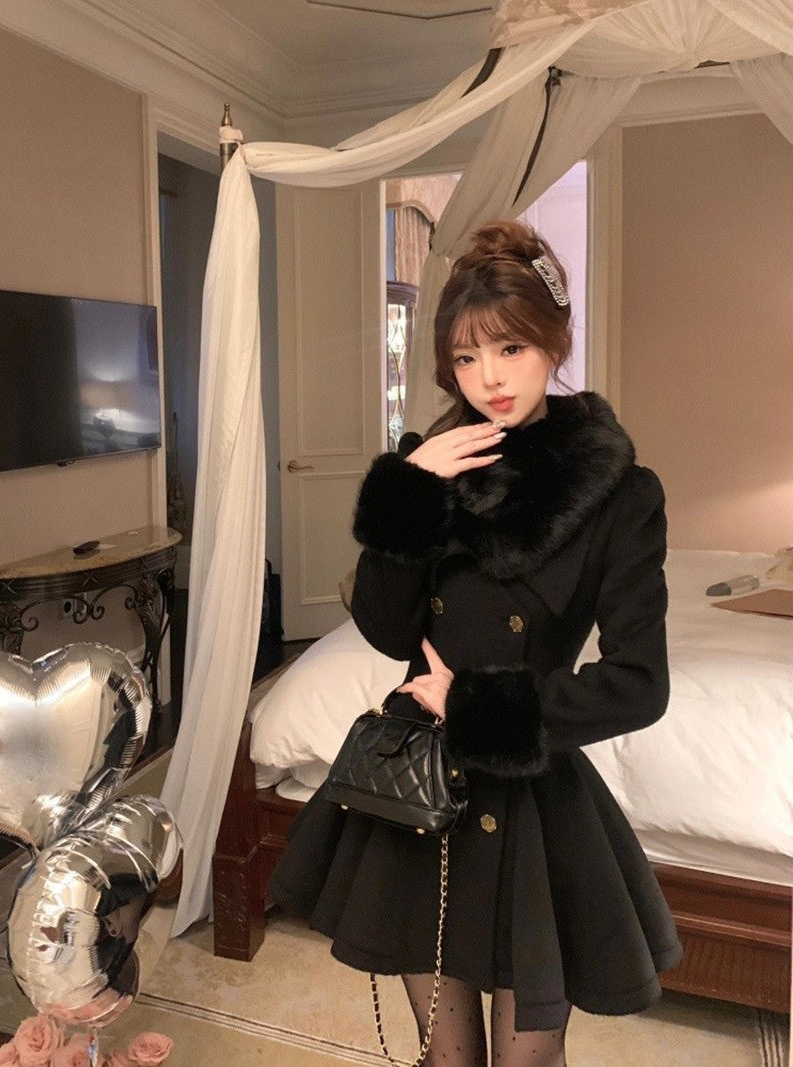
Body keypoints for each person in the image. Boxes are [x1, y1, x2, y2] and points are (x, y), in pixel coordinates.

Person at [270, 219, 683, 1067]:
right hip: (421, 789)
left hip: (528, 795)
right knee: (445, 1057)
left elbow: (641, 683)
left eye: (510, 348)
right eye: (465, 356)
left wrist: (476, 704)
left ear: (555, 343)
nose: (489, 377)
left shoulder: (620, 493)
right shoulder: (431, 464)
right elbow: (385, 628)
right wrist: (409, 495)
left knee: (529, 1059)